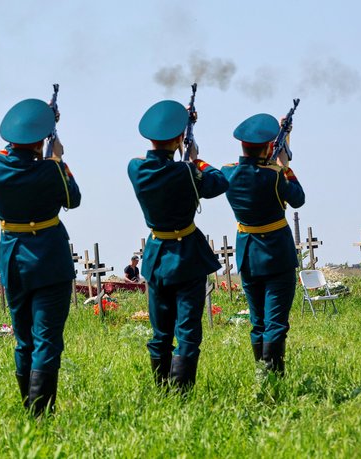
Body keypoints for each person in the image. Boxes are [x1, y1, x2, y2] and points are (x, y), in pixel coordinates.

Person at [0, 98, 81, 416]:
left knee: (24, 340)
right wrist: (57, 156)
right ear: (41, 139)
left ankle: (30, 410)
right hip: (49, 261)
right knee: (47, 340)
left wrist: (42, 133)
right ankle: (41, 416)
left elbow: (8, 154)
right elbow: (73, 198)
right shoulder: (52, 170)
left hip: (14, 260)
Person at [127, 100, 228, 391]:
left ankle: (161, 390)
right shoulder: (187, 172)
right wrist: (196, 157)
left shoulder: (136, 168)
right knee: (187, 333)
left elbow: (155, 162)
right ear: (178, 139)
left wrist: (181, 136)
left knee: (160, 332)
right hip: (186, 257)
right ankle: (181, 395)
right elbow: (219, 182)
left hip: (157, 256)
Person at [221, 113, 305, 377]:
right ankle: (273, 379)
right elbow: (299, 199)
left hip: (248, 255)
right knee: (276, 323)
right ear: (269, 147)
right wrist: (285, 165)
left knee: (257, 322)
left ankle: (262, 374)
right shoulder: (277, 175)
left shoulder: (227, 173)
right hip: (277, 256)